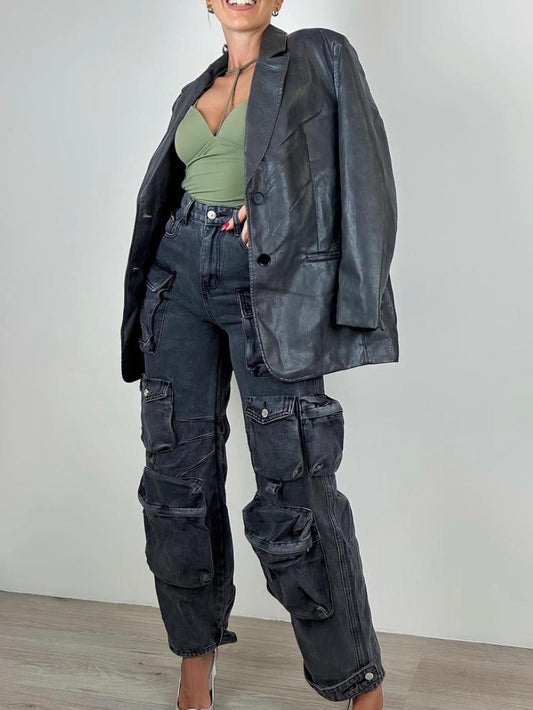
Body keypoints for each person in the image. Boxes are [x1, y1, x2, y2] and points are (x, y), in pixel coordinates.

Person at [120, 2, 399, 709]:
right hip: (175, 278)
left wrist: (348, 293)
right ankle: (194, 670)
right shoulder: (197, 88)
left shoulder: (316, 57)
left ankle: (357, 685)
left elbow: (363, 179)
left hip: (266, 285)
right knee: (175, 480)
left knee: (296, 486)